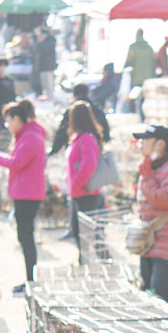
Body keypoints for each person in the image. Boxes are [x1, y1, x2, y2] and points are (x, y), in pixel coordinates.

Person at [0, 99, 46, 294]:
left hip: (27, 194)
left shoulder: (29, 137)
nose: (8, 125)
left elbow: (18, 162)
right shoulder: (29, 135)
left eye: (8, 121)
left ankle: (31, 281)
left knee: (26, 238)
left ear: (17, 119)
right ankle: (30, 280)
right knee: (26, 237)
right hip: (27, 192)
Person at [133, 124, 168, 304]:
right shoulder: (148, 165)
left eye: (145, 140)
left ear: (160, 144)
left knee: (160, 290)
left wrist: (147, 176)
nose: (140, 143)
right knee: (147, 286)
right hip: (147, 238)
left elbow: (164, 199)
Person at [66, 100, 105, 244]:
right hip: (80, 191)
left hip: (86, 192)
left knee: (88, 233)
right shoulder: (80, 138)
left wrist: (76, 182)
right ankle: (88, 261)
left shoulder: (86, 138)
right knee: (82, 232)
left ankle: (99, 261)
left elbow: (89, 164)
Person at [49, 83, 110, 156]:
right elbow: (105, 133)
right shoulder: (98, 110)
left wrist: (53, 150)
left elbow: (62, 133)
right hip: (95, 152)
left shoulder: (70, 112)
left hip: (75, 153)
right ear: (88, 94)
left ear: (73, 95)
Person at [32, 27, 57, 98]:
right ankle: (45, 97)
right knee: (43, 84)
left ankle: (50, 97)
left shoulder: (51, 41)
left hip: (48, 66)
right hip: (41, 66)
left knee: (49, 84)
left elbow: (44, 49)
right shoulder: (39, 42)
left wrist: (40, 42)